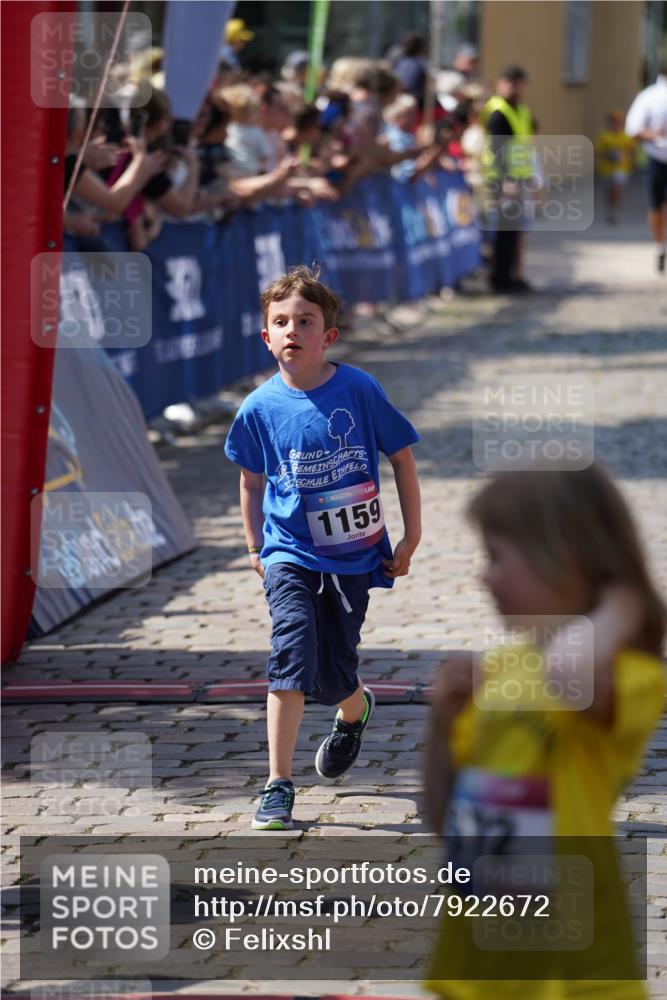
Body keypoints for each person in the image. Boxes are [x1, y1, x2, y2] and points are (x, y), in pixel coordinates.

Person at [424, 464, 666, 999]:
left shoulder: (629, 677)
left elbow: (567, 676)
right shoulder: (504, 670)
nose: (483, 577)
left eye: (497, 557)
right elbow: (445, 819)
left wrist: (625, 599)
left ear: (567, 557)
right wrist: (443, 728)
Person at [224, 265, 422, 831]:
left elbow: (401, 456)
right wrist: (255, 547)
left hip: (354, 557)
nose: (292, 331)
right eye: (280, 323)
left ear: (327, 335)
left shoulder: (358, 389)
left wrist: (412, 535)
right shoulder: (258, 407)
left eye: (304, 322)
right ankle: (277, 784)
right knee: (291, 654)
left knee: (332, 672)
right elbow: (250, 479)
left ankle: (354, 707)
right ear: (266, 337)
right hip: (287, 553)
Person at [481, 65, 536, 292]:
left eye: (518, 83)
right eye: (510, 83)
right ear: (500, 84)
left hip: (518, 177)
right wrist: (506, 180)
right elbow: (498, 148)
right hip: (503, 180)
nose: (514, 88)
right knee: (504, 231)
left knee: (513, 231)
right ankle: (500, 278)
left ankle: (510, 275)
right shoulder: (498, 112)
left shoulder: (520, 110)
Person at [625, 64, 667, 274]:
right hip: (658, 159)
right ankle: (660, 246)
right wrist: (655, 134)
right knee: (657, 208)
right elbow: (633, 129)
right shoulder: (650, 96)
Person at [595, 111, 636, 224]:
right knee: (608, 192)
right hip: (606, 168)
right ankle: (610, 211)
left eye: (617, 122)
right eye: (613, 122)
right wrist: (609, 154)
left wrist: (632, 163)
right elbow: (597, 151)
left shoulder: (626, 136)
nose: (615, 124)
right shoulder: (604, 136)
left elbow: (632, 151)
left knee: (616, 189)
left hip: (621, 168)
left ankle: (616, 211)